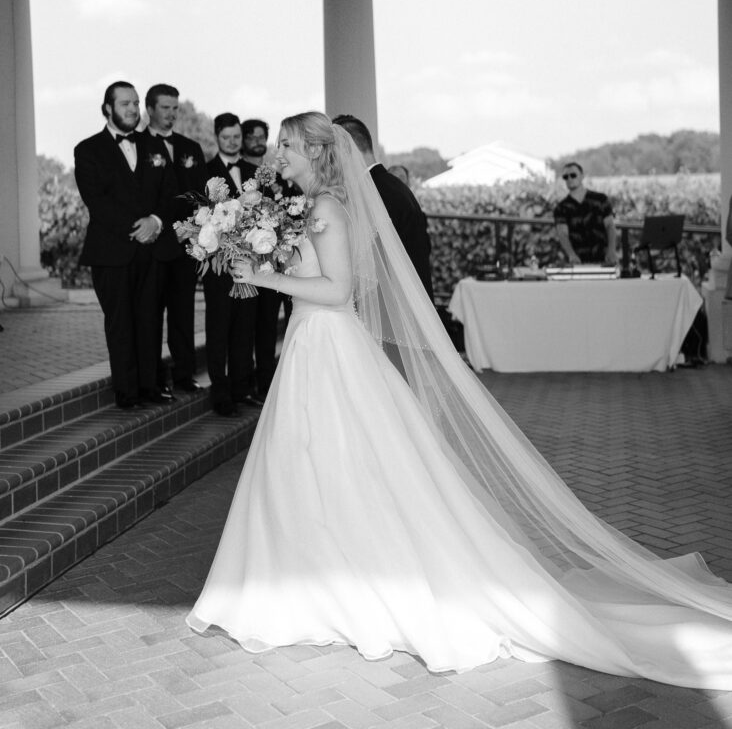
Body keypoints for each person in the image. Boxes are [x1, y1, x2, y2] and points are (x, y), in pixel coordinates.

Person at [187, 112, 732, 688]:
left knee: (333, 462)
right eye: (280, 145)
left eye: (290, 145)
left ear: (319, 153)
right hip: (312, 343)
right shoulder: (309, 206)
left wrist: (265, 275)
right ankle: (309, 576)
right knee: (310, 463)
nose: (280, 153)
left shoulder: (324, 207)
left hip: (325, 343)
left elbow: (338, 290)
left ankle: (328, 581)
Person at [74, 81, 178, 409]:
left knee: (149, 320)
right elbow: (97, 201)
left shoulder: (155, 147)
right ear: (108, 109)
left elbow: (171, 192)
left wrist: (157, 222)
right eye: (125, 104)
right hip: (111, 251)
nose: (132, 109)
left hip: (152, 249)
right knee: (120, 323)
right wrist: (136, 228)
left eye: (135, 103)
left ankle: (149, 386)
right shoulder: (87, 149)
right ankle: (127, 392)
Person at [144, 83, 206, 394]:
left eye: (175, 108)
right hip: (152, 248)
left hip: (185, 246)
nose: (171, 114)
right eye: (165, 108)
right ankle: (154, 377)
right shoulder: (138, 145)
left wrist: (195, 230)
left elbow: (202, 196)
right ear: (150, 109)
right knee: (151, 315)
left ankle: (184, 374)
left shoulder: (191, 149)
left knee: (183, 313)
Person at [333, 114, 433, 299]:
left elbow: (375, 264)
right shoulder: (391, 184)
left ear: (347, 149)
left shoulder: (375, 194)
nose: (331, 163)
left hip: (395, 303)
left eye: (332, 153)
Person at [202, 113, 261, 414]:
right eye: (227, 137)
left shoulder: (254, 171)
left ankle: (242, 386)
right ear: (217, 137)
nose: (233, 141)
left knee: (244, 326)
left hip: (249, 262)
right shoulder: (205, 171)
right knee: (219, 326)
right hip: (219, 265)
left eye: (237, 136)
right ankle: (220, 391)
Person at [238, 118, 291, 399]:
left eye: (262, 137)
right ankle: (246, 383)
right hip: (247, 263)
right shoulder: (239, 175)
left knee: (269, 325)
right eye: (252, 136)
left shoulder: (277, 178)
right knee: (247, 327)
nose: (258, 141)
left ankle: (266, 384)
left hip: (273, 263)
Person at [554, 161, 617, 264]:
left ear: (582, 176)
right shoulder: (561, 208)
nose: (569, 179)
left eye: (573, 175)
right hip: (577, 260)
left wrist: (611, 251)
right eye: (565, 177)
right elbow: (562, 233)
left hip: (603, 258)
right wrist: (571, 255)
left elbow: (610, 226)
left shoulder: (601, 199)